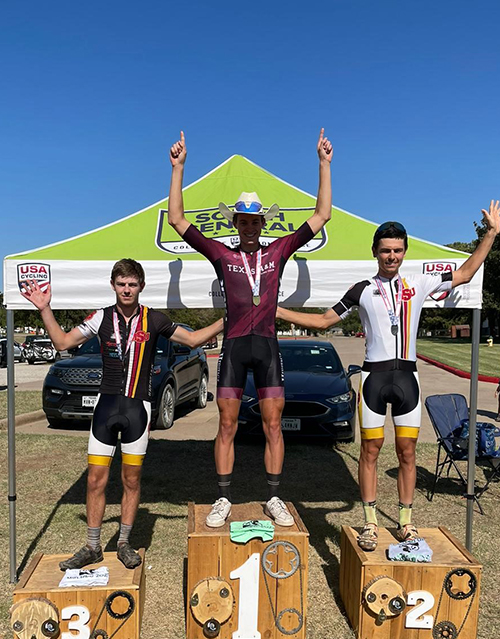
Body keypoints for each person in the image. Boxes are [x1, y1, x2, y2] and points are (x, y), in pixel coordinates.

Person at [277, 200, 500, 550]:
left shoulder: (421, 283)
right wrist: (275, 310)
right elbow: (323, 321)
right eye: (385, 251)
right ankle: (369, 523)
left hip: (408, 379)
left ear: (405, 251)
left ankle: (406, 523)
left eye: (397, 251)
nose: (391, 257)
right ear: (375, 252)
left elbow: (466, 274)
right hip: (374, 380)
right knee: (370, 450)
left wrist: (490, 234)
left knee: (407, 451)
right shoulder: (362, 289)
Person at [168, 130, 332, 527]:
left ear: (262, 222)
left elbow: (321, 215)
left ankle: (274, 497)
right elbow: (176, 219)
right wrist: (179, 168)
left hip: (268, 347)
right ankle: (223, 498)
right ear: (236, 223)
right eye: (242, 221)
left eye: (254, 221)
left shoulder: (278, 250)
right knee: (226, 423)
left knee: (273, 423)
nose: (249, 227)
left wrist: (324, 164)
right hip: (236, 347)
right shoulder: (222, 254)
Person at [21, 259, 223, 569]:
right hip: (105, 409)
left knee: (131, 479)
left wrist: (231, 317)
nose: (126, 289)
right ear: (113, 285)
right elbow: (62, 342)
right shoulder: (101, 318)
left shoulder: (154, 320)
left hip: (137, 409)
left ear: (141, 286)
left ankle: (125, 542)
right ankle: (92, 545)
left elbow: (194, 339)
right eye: (121, 284)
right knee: (95, 481)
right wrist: (44, 308)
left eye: (131, 284)